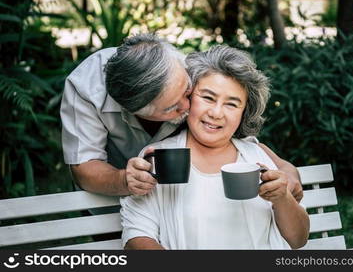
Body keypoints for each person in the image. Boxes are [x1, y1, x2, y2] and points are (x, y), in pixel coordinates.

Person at [60, 33, 303, 201]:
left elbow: (233, 139)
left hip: (179, 200)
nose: (189, 106)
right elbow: (84, 168)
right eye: (171, 109)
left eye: (187, 91)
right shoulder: (86, 88)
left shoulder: (183, 67)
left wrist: (284, 166)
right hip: (109, 195)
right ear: (135, 112)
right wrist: (126, 180)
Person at [120, 45, 309, 250]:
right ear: (189, 97)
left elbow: (298, 240)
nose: (216, 113)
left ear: (244, 112)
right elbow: (137, 236)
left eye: (231, 104)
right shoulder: (159, 158)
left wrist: (282, 198)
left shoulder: (256, 155)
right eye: (208, 98)